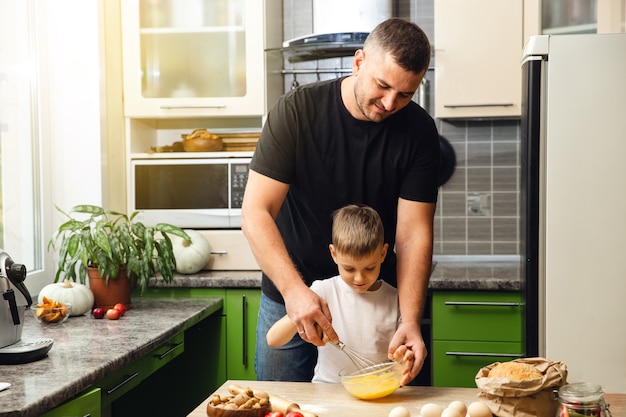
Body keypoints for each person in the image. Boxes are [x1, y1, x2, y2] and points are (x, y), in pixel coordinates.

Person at [241, 17, 440, 383]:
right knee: (285, 404)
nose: (390, 103)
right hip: (292, 290)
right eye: (382, 85)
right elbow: (255, 212)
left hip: (374, 298)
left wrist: (409, 321)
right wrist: (294, 291)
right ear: (359, 61)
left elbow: (412, 235)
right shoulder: (297, 112)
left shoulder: (420, 132)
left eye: (405, 94)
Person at [266, 204, 415, 385]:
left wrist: (405, 358)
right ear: (334, 254)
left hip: (377, 392)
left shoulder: (396, 299)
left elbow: (402, 357)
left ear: (383, 253)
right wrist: (300, 315)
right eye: (349, 268)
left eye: (370, 268)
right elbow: (272, 339)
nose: (359, 278)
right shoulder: (323, 292)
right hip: (327, 391)